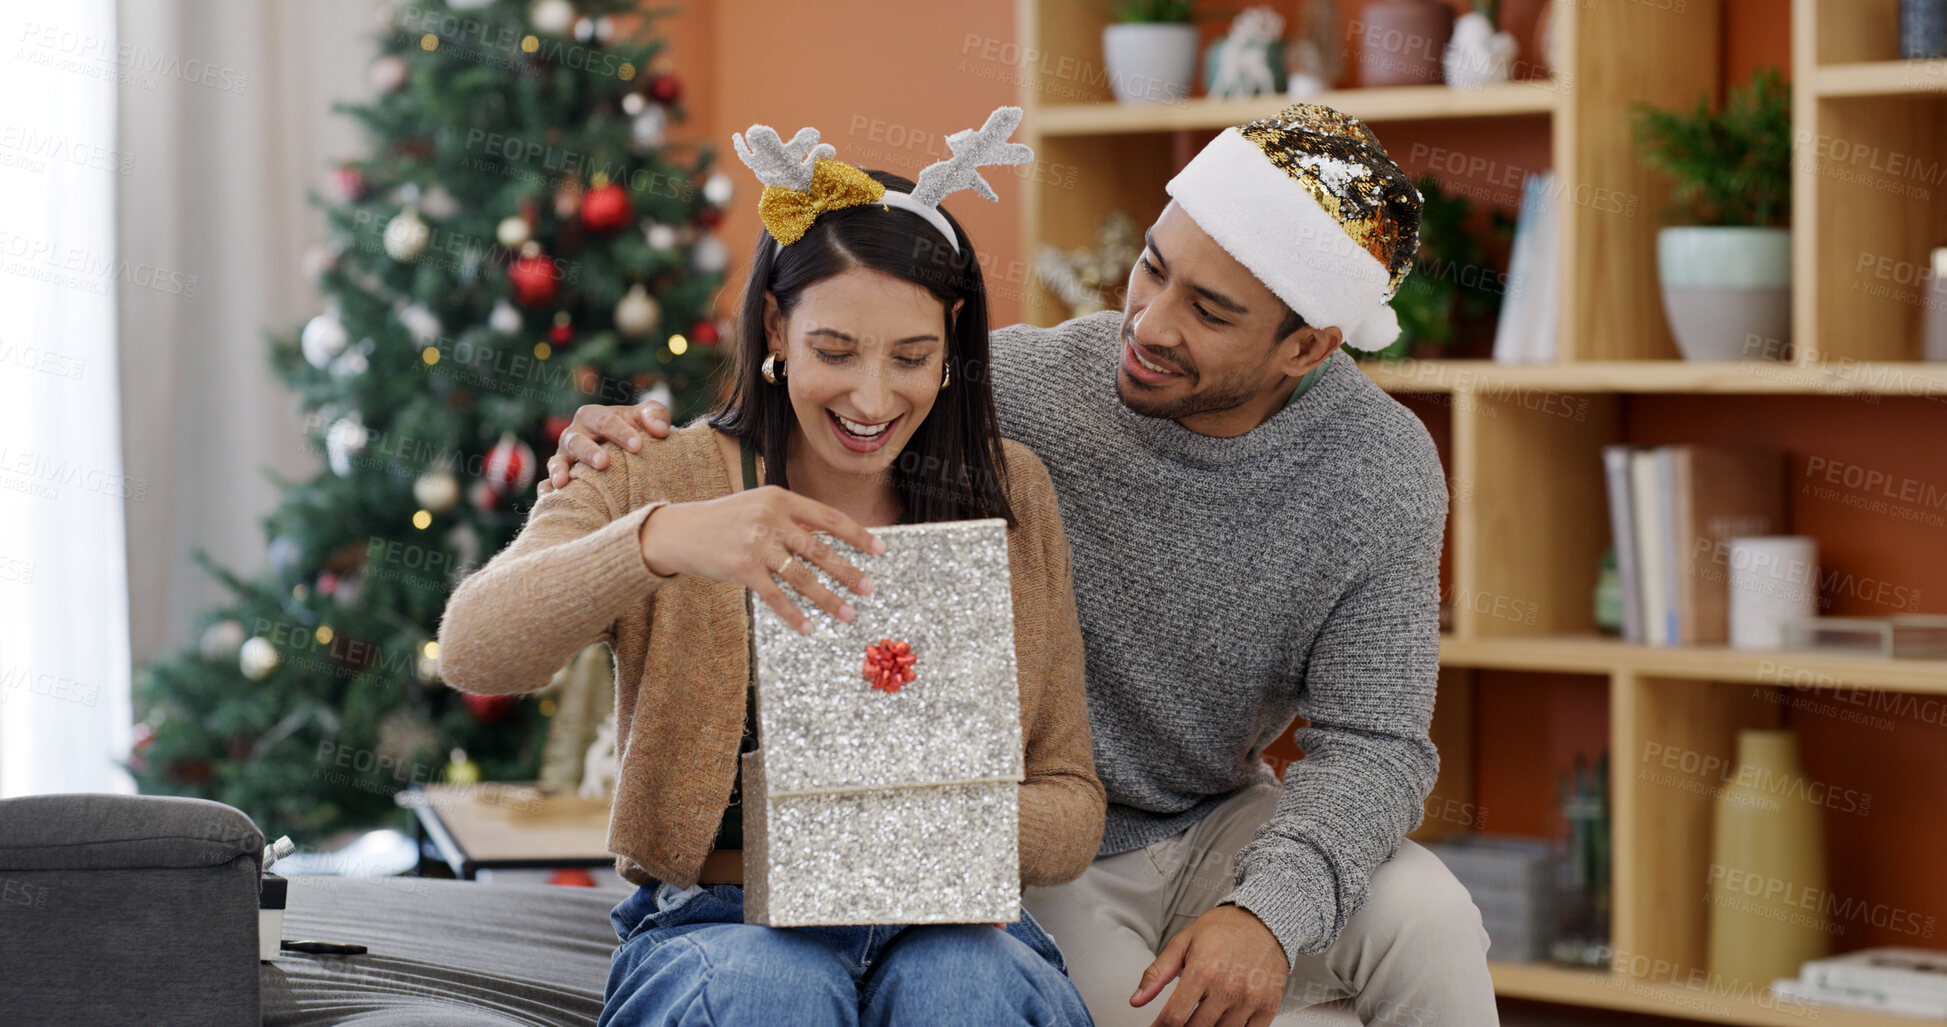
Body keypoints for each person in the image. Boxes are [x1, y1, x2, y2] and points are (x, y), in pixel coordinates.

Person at [541, 103, 1497, 1026]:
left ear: (1307, 346)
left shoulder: (1379, 467)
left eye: (1207, 311)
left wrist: (1265, 913)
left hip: (1224, 818)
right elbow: (817, 402)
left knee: (1434, 918)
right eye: (1151, 270)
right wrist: (620, 453)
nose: (1150, 324)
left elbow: (1375, 742)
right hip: (1029, 848)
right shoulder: (1017, 389)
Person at [439, 107, 1104, 1027]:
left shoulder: (1007, 490)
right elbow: (474, 648)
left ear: (952, 341)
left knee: (964, 987)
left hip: (954, 923)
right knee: (766, 986)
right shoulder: (654, 469)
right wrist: (660, 539)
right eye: (834, 351)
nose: (873, 398)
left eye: (912, 357)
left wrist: (918, 824)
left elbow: (1072, 798)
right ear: (775, 327)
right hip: (721, 918)